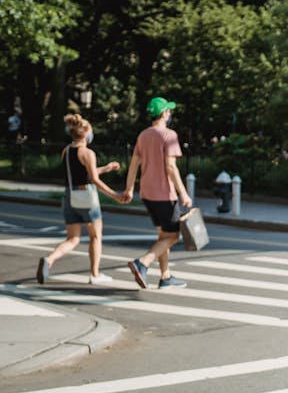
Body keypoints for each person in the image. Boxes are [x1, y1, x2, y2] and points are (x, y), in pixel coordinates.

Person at [36, 114, 126, 285]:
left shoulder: (66, 151)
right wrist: (115, 195)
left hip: (69, 196)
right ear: (85, 133)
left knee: (72, 239)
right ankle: (95, 274)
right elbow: (93, 179)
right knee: (95, 237)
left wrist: (106, 168)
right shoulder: (87, 153)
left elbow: (81, 174)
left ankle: (49, 260)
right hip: (86, 196)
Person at [122, 96, 192, 290]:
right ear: (163, 113)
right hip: (164, 194)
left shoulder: (143, 135)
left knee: (163, 236)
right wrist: (184, 193)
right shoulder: (169, 135)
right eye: (169, 111)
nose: (170, 114)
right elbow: (171, 167)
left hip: (147, 193)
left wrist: (129, 188)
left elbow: (134, 164)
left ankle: (165, 276)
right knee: (173, 236)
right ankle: (143, 263)